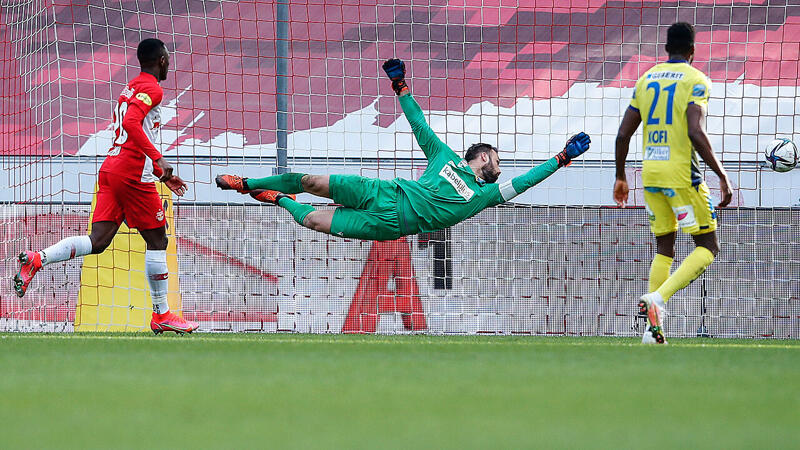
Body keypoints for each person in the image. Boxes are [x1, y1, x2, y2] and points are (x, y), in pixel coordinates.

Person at [216, 58, 591, 242]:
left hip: (390, 224)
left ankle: (277, 197)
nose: (499, 166)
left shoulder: (486, 195)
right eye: (496, 158)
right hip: (383, 191)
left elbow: (525, 182)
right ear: (480, 155)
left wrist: (561, 158)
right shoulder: (445, 157)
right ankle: (246, 182)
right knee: (311, 180)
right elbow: (419, 125)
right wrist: (400, 86)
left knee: (313, 220)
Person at [13, 38, 199, 335]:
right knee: (158, 240)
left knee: (98, 241)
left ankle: (38, 259)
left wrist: (163, 174)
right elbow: (133, 125)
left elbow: (130, 128)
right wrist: (158, 159)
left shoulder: (131, 87)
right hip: (132, 174)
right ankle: (162, 314)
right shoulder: (154, 88)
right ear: (162, 60)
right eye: (168, 59)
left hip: (111, 167)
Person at [614, 22, 732, 344]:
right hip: (682, 176)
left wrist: (621, 175)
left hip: (650, 175)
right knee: (708, 246)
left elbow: (623, 134)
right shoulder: (696, 81)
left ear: (667, 49)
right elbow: (695, 131)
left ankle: (654, 332)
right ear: (692, 51)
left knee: (665, 246)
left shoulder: (646, 79)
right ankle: (658, 298)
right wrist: (721, 175)